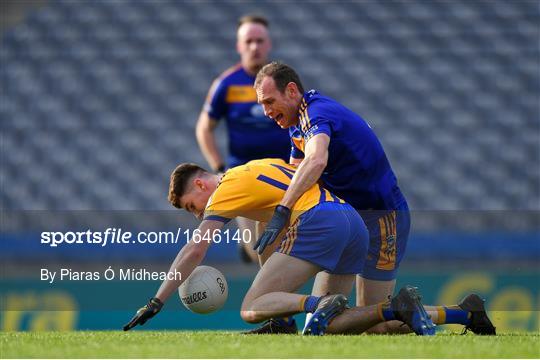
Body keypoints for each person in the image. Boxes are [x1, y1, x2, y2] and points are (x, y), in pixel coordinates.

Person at [253, 62, 496, 335]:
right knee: (324, 322)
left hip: (381, 218)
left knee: (374, 326)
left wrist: (283, 210)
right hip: (348, 222)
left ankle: (461, 313)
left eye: (269, 101)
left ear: (292, 90)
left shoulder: (316, 115)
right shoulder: (297, 122)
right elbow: (295, 173)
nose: (266, 111)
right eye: (262, 104)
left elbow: (316, 160)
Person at [123, 159, 495, 336]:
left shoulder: (223, 191)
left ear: (201, 186)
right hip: (349, 220)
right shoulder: (255, 168)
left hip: (320, 221)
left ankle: (317, 305)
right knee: (346, 327)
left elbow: (195, 250)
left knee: (251, 306)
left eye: (192, 206)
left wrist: (157, 300)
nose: (198, 213)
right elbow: (264, 241)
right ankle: (462, 313)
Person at [195, 15, 290, 263]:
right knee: (260, 248)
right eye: (248, 41)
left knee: (287, 246)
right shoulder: (226, 84)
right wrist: (219, 168)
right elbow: (204, 128)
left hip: (284, 174)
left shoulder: (284, 82)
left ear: (269, 44)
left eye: (260, 41)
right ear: (239, 46)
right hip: (244, 175)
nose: (254, 47)